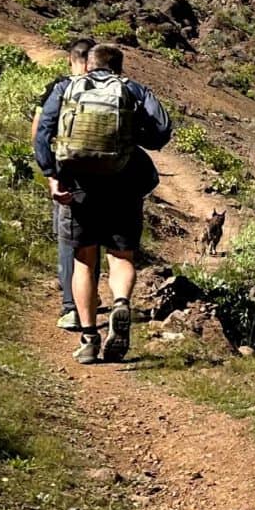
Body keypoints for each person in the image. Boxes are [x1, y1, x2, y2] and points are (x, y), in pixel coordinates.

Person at [34, 42, 174, 364]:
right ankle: (121, 301)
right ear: (119, 67)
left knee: (84, 260)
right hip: (124, 184)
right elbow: (162, 132)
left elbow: (43, 133)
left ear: (88, 64)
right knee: (121, 256)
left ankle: (88, 339)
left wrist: (52, 175)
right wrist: (129, 134)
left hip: (78, 184)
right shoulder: (134, 89)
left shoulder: (66, 87)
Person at [38, 39, 92, 330]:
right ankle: (90, 301)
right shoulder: (117, 89)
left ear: (71, 60)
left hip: (68, 174)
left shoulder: (59, 88)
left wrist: (51, 174)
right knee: (92, 241)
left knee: (68, 240)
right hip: (107, 179)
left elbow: (40, 132)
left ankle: (72, 306)